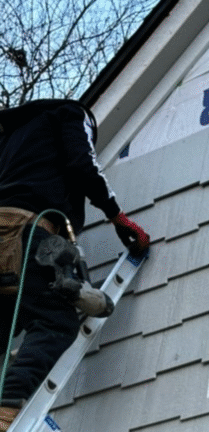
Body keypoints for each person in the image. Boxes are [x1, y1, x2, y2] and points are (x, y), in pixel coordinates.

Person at [0, 99, 149, 429]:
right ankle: (5, 413)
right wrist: (117, 216)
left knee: (10, 318)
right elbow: (83, 165)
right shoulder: (71, 113)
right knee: (54, 321)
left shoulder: (10, 135)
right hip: (29, 228)